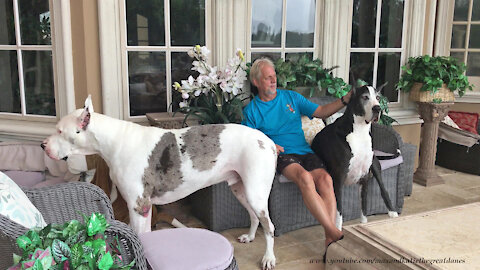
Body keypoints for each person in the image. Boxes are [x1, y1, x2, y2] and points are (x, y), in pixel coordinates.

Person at [242, 57, 351, 249]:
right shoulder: (252, 111)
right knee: (305, 178)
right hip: (281, 155)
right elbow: (247, 140)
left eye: (274, 76)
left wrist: (344, 100)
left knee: (326, 180)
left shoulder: (291, 97)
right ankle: (333, 231)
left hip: (304, 151)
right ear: (256, 82)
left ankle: (329, 235)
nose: (274, 81)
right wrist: (268, 145)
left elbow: (323, 111)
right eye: (268, 78)